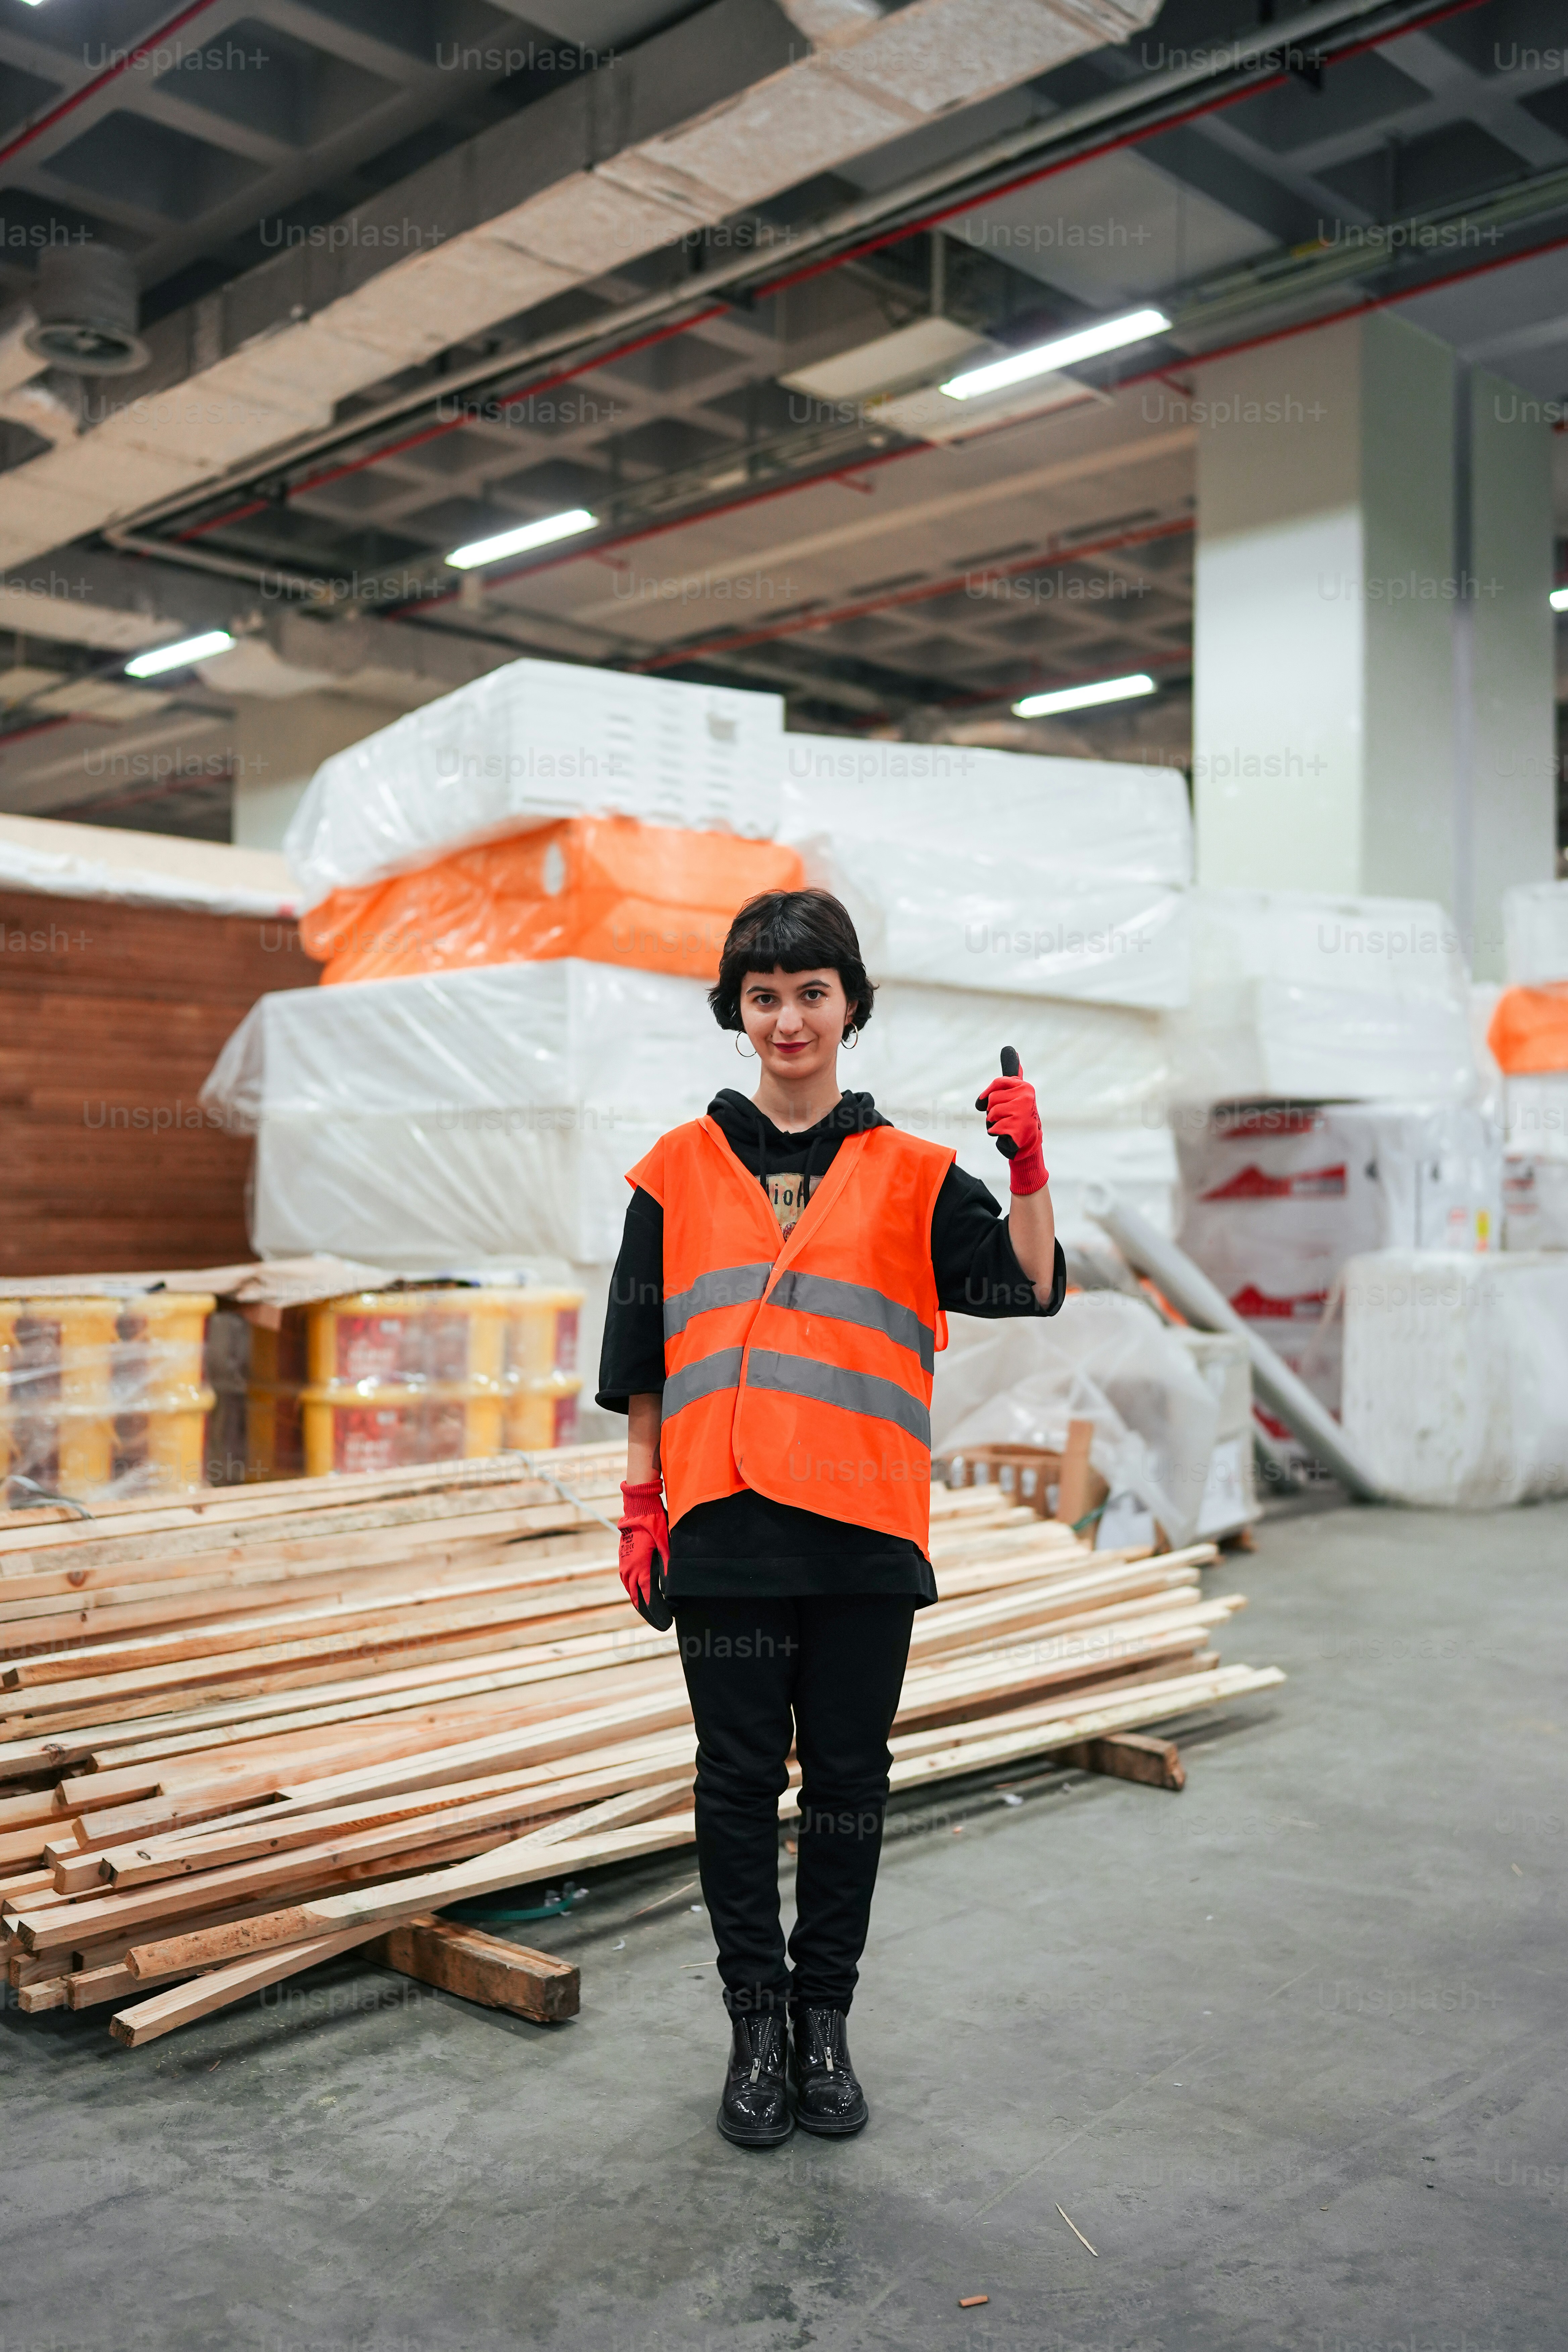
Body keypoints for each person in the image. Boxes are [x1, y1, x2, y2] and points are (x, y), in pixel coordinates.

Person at [597, 887, 1064, 2147]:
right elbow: (641, 1363)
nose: (788, 1018)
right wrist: (641, 1507)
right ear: (736, 1013)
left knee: (850, 1786)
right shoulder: (672, 1174)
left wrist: (1026, 1169)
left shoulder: (918, 1176)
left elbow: (1029, 1285)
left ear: (851, 1005)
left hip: (863, 1533)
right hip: (727, 1530)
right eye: (764, 996)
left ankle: (824, 2028)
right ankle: (756, 2029)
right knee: (738, 1786)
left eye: (813, 993)